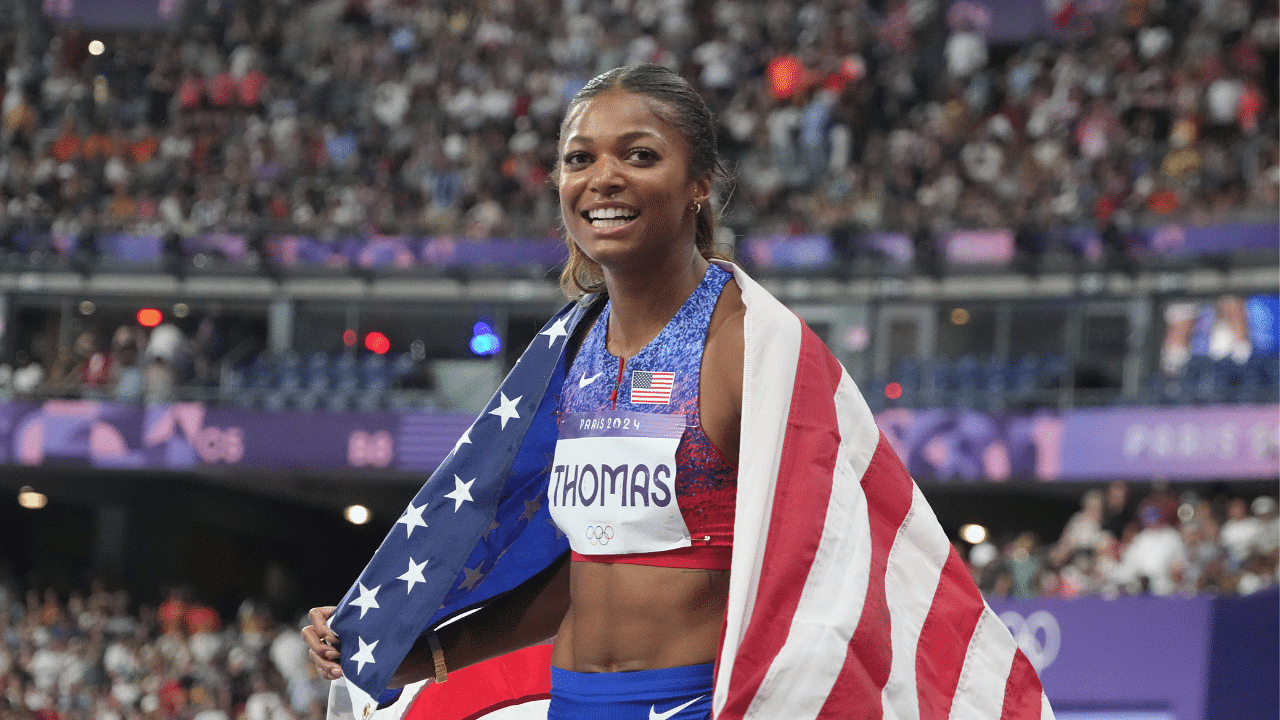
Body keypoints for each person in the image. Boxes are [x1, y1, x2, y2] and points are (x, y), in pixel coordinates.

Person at [303, 65, 1050, 719]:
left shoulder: (752, 348)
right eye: (579, 158)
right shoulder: (570, 352)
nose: (604, 177)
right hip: (578, 704)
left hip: (700, 702)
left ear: (700, 184)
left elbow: (832, 566)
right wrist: (425, 651)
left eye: (639, 155)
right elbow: (591, 573)